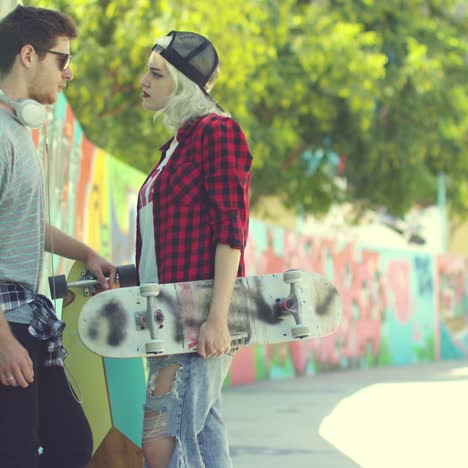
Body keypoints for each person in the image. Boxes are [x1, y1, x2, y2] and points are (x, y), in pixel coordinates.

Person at [0, 6, 117, 468]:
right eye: (62, 60)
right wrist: (3, 341)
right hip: (8, 324)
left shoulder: (16, 131)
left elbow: (22, 220)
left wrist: (85, 252)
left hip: (27, 320)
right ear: (28, 54)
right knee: (18, 454)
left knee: (69, 441)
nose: (69, 73)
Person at [137, 31, 252, 467]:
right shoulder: (176, 145)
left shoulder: (217, 132)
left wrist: (218, 318)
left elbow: (231, 232)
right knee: (200, 437)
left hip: (197, 316)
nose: (144, 81)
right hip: (166, 317)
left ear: (183, 82)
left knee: (163, 440)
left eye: (156, 73)